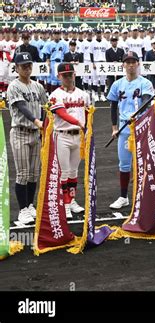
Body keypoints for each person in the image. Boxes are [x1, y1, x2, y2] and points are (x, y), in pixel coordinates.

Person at [107, 51, 155, 209]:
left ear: (138, 63)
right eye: (127, 62)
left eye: (133, 61)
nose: (131, 64)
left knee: (143, 163)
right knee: (124, 164)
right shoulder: (117, 84)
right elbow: (113, 106)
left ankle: (143, 196)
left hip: (140, 127)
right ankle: (123, 197)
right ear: (123, 65)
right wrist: (114, 127)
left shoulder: (145, 83)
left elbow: (147, 102)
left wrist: (138, 115)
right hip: (123, 127)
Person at [6, 52, 48, 225]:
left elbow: (45, 106)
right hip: (20, 132)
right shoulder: (13, 86)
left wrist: (44, 125)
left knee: (34, 174)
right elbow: (22, 107)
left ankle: (30, 205)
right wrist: (37, 121)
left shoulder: (38, 86)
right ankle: (23, 209)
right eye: (23, 66)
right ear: (16, 68)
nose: (27, 68)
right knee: (23, 174)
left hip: (36, 134)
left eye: (29, 65)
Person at [49, 63, 89, 219]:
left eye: (70, 74)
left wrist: (86, 130)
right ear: (59, 76)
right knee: (64, 172)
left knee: (74, 171)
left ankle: (71, 200)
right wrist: (78, 122)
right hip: (62, 135)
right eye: (64, 75)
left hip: (78, 136)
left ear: (74, 74)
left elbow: (87, 115)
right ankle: (64, 204)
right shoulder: (55, 95)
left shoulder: (83, 94)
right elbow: (61, 113)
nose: (68, 77)